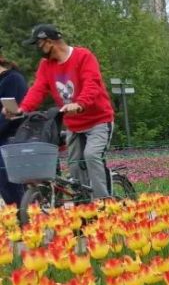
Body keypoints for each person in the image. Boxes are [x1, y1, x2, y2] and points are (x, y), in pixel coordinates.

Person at [12, 24, 116, 200]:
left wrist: (80, 103)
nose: (37, 48)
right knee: (75, 166)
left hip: (99, 121)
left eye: (38, 44)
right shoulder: (46, 65)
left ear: (50, 42)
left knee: (91, 156)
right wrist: (23, 109)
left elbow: (92, 83)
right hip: (74, 126)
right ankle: (84, 206)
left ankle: (105, 203)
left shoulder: (83, 56)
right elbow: (38, 89)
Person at [0, 57, 28, 205]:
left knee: (8, 180)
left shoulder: (13, 80)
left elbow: (10, 114)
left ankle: (24, 219)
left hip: (12, 138)